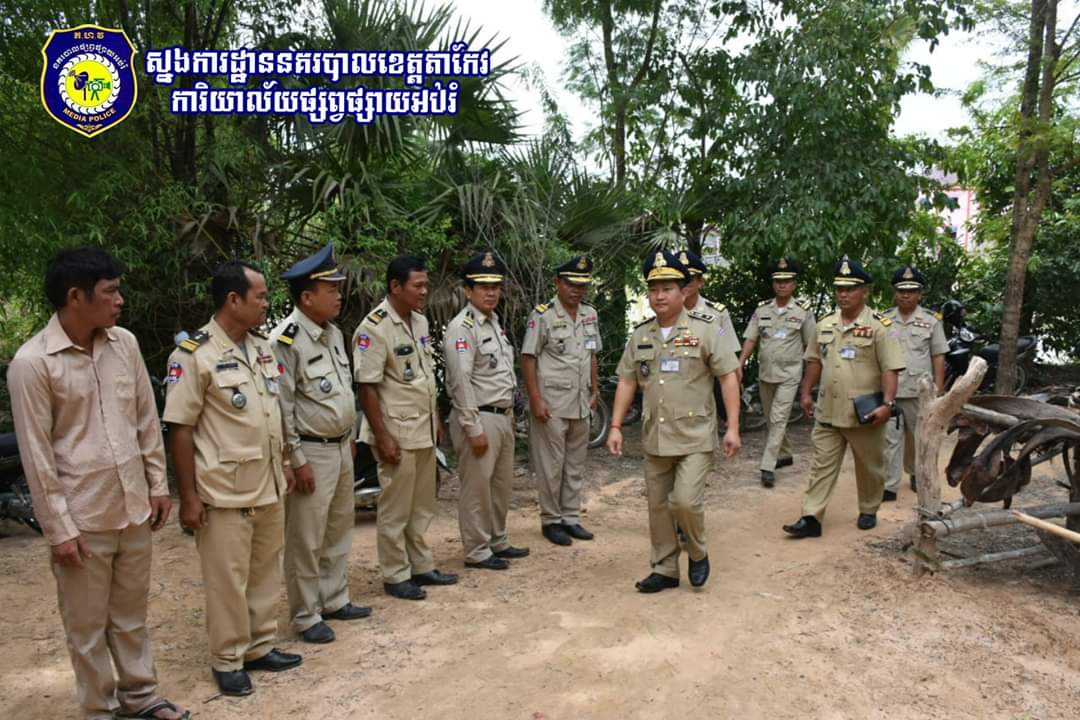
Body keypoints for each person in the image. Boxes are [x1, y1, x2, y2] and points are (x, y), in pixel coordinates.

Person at [8, 248, 189, 720]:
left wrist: (157, 484)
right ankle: (98, 710)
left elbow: (145, 418)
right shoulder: (33, 364)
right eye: (110, 292)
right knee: (86, 626)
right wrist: (59, 529)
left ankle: (141, 697)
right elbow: (37, 455)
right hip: (82, 517)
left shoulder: (124, 344)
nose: (120, 300)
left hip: (133, 506)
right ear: (76, 296)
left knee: (130, 616)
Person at [163, 260, 301, 697]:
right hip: (223, 490)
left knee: (264, 571)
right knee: (227, 580)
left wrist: (285, 463)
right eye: (260, 296)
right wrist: (189, 497)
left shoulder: (261, 348)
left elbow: (271, 412)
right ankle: (227, 658)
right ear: (233, 300)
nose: (266, 303)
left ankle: (259, 645)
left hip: (267, 482)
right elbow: (180, 428)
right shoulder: (194, 356)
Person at [607, 250, 742, 593]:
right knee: (657, 507)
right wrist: (616, 426)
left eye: (667, 288)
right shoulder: (641, 334)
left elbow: (728, 376)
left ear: (684, 292)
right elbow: (627, 381)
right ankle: (665, 568)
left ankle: (697, 551)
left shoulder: (705, 329)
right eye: (654, 289)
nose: (659, 296)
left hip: (695, 435)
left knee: (684, 501)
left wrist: (733, 427)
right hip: (655, 435)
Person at [270, 242, 371, 644]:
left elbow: (341, 391)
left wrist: (350, 437)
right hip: (310, 450)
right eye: (331, 289)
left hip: (341, 445)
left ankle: (334, 597)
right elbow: (283, 406)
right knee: (306, 537)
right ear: (307, 297)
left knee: (338, 527)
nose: (339, 295)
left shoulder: (334, 334)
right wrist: (295, 458)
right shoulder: (286, 340)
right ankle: (306, 614)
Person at [354, 256, 458, 600]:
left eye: (426, 285)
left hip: (422, 428)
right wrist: (382, 436)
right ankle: (396, 574)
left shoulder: (420, 321)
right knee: (396, 508)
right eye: (418, 285)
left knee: (421, 504)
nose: (425, 291)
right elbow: (367, 387)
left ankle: (421, 566)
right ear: (395, 287)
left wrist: (436, 419)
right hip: (396, 432)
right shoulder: (374, 328)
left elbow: (424, 377)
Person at [782, 256, 905, 538]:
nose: (843, 294)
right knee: (821, 466)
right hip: (828, 409)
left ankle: (869, 509)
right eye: (839, 289)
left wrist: (888, 404)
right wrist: (805, 393)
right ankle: (811, 517)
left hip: (864, 413)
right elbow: (814, 361)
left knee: (870, 467)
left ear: (865, 291)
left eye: (850, 289)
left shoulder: (880, 327)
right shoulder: (825, 324)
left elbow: (890, 368)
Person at [444, 252, 530, 570]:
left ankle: (497, 539)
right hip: (479, 417)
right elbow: (460, 381)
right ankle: (477, 549)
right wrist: (472, 426)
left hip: (502, 416)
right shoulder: (462, 328)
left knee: (500, 486)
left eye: (495, 286)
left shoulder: (493, 322)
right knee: (477, 488)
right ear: (468, 291)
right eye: (483, 287)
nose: (491, 292)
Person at [522, 256, 601, 547]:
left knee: (575, 463)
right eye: (571, 284)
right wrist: (535, 398)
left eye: (582, 285)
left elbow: (592, 354)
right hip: (552, 403)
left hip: (581, 400)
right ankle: (551, 520)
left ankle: (570, 517)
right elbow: (528, 357)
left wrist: (595, 390)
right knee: (551, 465)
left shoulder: (589, 314)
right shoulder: (542, 315)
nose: (577, 290)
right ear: (557, 283)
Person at [738, 258, 816, 487]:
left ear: (794, 284)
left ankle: (767, 465)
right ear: (773, 284)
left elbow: (811, 346)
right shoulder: (762, 310)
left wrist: (808, 381)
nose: (782, 285)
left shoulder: (803, 312)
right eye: (778, 281)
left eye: (787, 281)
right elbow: (751, 339)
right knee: (772, 418)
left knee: (778, 418)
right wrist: (740, 364)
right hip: (766, 373)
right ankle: (785, 453)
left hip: (790, 374)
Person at [882, 265, 947, 499]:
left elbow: (938, 356)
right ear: (895, 293)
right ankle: (889, 485)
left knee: (918, 437)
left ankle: (917, 474)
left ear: (919, 294)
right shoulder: (884, 320)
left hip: (918, 390)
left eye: (911, 291)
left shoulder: (931, 321)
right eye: (902, 291)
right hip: (890, 390)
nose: (906, 295)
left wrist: (938, 390)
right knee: (889, 438)